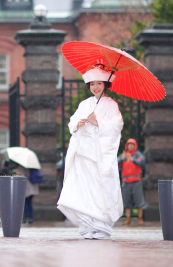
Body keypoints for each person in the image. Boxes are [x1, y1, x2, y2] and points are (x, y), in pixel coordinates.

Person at [57, 64, 124, 239]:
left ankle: (101, 225)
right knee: (84, 189)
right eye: (92, 84)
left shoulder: (111, 105)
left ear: (105, 85)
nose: (95, 87)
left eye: (99, 83)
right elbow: (72, 122)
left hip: (99, 155)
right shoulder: (84, 104)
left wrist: (98, 122)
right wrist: (77, 124)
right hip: (84, 154)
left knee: (99, 190)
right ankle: (87, 225)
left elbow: (117, 126)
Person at [118, 138, 146, 226]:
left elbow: (142, 162)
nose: (130, 146)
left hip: (136, 180)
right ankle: (128, 218)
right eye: (129, 144)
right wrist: (121, 159)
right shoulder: (124, 155)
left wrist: (133, 159)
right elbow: (114, 164)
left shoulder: (137, 154)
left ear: (135, 146)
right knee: (126, 200)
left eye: (132, 144)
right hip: (126, 181)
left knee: (139, 200)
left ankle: (140, 217)